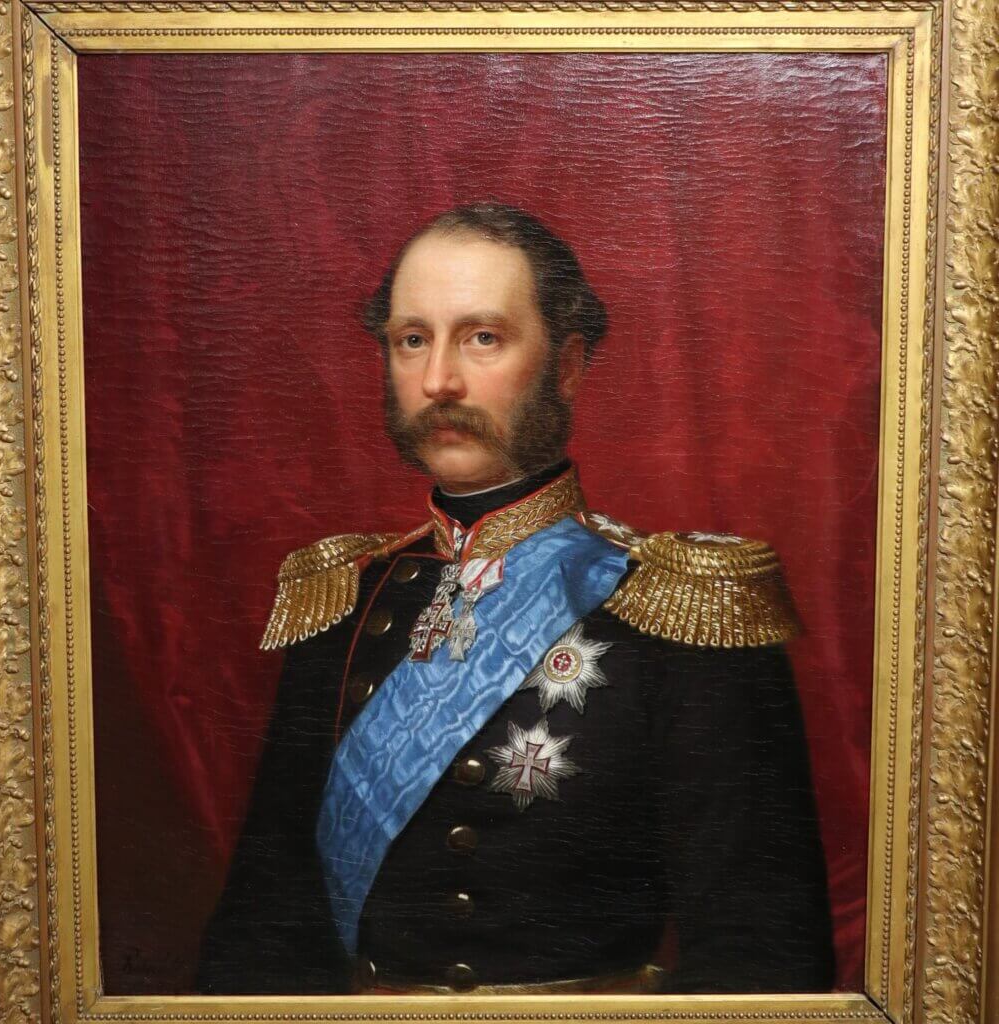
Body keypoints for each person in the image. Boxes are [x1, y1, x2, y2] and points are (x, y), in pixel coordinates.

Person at [196, 202, 835, 996]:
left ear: (566, 366)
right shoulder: (341, 603)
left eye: (483, 337)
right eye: (413, 340)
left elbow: (763, 954)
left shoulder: (685, 612)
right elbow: (266, 925)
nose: (439, 380)